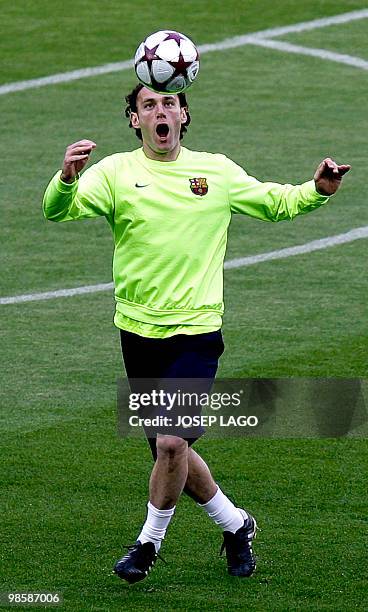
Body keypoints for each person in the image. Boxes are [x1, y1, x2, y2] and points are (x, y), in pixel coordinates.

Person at [42, 82, 350, 583]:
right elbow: (56, 210)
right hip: (137, 333)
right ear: (134, 121)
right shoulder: (116, 172)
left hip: (196, 333)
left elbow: (274, 202)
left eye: (168, 103)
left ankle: (146, 545)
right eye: (148, 105)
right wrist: (67, 178)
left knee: (167, 445)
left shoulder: (216, 170)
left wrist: (317, 190)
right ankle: (235, 524)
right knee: (175, 453)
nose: (159, 111)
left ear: (183, 114)